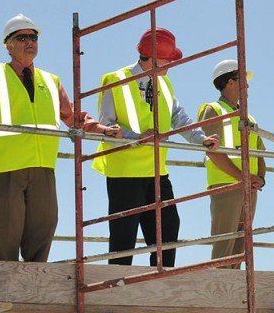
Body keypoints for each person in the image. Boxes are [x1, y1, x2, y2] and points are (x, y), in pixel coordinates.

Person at [0, 14, 119, 262]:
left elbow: (73, 115)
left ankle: (35, 281)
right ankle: (6, 283)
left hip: (42, 165)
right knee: (7, 229)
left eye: (33, 37)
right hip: (5, 165)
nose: (29, 41)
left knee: (45, 223)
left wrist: (101, 129)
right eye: (22, 37)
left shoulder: (50, 80)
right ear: (8, 45)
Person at [92, 27, 219, 267]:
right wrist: (138, 137)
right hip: (125, 173)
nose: (171, 64)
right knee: (123, 240)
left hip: (157, 172)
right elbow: (105, 127)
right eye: (168, 59)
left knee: (168, 231)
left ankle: (160, 282)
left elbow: (179, 117)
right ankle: (115, 294)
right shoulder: (115, 80)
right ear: (152, 57)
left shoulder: (165, 84)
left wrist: (201, 139)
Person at [197, 59, 266, 268]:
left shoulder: (249, 117)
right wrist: (243, 178)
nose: (247, 85)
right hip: (225, 185)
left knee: (240, 247)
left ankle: (234, 293)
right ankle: (219, 292)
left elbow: (259, 153)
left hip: (248, 187)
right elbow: (214, 153)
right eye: (243, 80)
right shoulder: (212, 110)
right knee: (223, 245)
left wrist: (260, 179)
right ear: (230, 82)